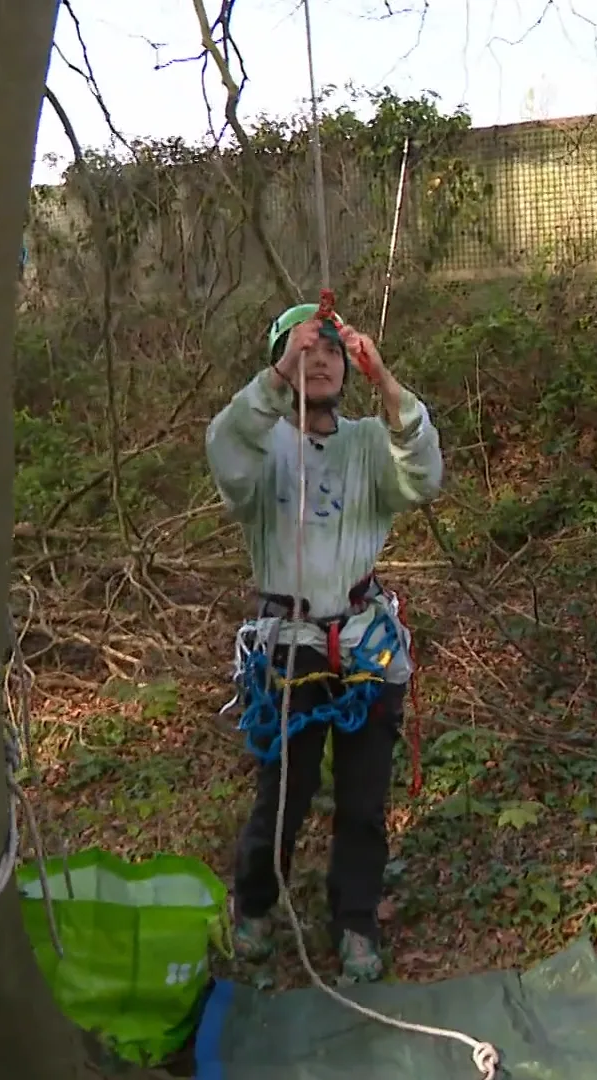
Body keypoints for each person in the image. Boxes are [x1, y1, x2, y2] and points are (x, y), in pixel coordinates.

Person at [205, 298, 443, 985]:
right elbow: (226, 447)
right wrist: (277, 375)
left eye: (332, 351)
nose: (320, 360)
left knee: (365, 801)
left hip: (365, 639)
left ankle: (355, 921)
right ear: (282, 364)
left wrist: (388, 382)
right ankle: (253, 905)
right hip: (290, 642)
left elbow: (423, 476)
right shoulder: (261, 447)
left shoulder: (371, 441)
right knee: (286, 791)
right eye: (305, 349)